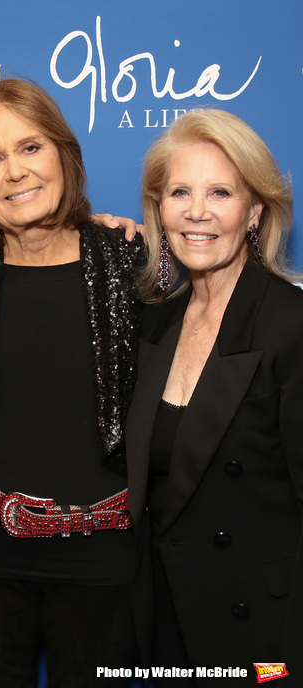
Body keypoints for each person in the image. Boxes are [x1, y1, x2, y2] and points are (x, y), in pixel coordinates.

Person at [0, 78, 145, 687]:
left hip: (110, 567)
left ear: (63, 154)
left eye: (31, 148)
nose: (15, 172)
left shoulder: (130, 260)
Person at [125, 109, 303, 685]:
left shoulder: (290, 325)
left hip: (264, 631)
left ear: (254, 211)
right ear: (159, 209)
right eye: (180, 191)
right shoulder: (155, 323)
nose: (196, 211)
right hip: (164, 623)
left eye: (220, 192)